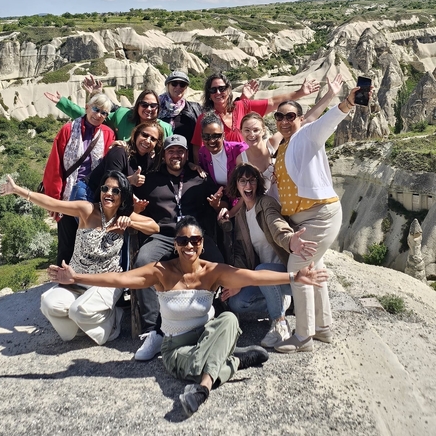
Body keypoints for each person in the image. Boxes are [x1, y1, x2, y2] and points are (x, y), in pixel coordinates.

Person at [48, 216, 327, 417]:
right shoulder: (160, 272)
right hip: (175, 347)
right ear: (176, 243)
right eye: (183, 240)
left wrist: (295, 275)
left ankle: (202, 390)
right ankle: (232, 361)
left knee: (228, 320)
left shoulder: (213, 271)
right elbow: (120, 279)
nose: (189, 245)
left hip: (206, 336)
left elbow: (253, 276)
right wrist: (77, 276)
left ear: (202, 243)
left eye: (195, 240)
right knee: (195, 364)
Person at [0, 171, 158, 345]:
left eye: (115, 191)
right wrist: (18, 190)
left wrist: (131, 222)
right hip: (76, 281)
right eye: (105, 188)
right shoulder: (87, 210)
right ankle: (84, 328)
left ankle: (111, 323)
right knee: (49, 304)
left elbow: (154, 227)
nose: (109, 194)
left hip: (107, 282)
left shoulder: (123, 216)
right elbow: (54, 203)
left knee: (78, 311)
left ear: (123, 195)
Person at [272, 86, 364, 353]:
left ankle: (303, 337)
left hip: (320, 215)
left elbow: (327, 122)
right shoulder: (284, 145)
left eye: (291, 116)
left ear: (300, 119)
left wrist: (347, 103)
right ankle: (323, 329)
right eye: (280, 117)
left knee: (298, 268)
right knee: (315, 271)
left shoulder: (306, 136)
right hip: (305, 219)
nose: (285, 121)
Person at [132, 134, 226, 361]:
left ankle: (216, 319)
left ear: (186, 154)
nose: (176, 155)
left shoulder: (200, 178)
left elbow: (221, 201)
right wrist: (136, 207)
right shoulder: (151, 180)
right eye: (171, 151)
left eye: (181, 151)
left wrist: (218, 206)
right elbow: (131, 204)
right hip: (164, 236)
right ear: (164, 155)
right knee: (143, 262)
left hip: (194, 239)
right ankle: (152, 331)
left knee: (219, 264)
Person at [219, 164, 317, 348]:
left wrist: (289, 240)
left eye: (252, 180)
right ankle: (281, 302)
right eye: (242, 181)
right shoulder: (240, 215)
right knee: (237, 302)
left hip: (286, 275)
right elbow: (240, 251)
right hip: (264, 279)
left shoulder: (266, 204)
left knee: (262, 270)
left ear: (258, 183)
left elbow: (277, 225)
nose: (248, 185)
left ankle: (280, 323)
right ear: (237, 185)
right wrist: (238, 281)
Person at [235, 74, 345, 202]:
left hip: (285, 202)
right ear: (241, 132)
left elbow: (305, 121)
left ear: (263, 130)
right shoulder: (241, 159)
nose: (251, 134)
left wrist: (330, 94)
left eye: (255, 130)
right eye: (247, 130)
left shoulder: (272, 143)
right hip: (262, 207)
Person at [42, 93, 115, 266]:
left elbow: (109, 167)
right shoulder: (68, 129)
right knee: (67, 243)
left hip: (93, 197)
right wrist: (53, 200)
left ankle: (86, 283)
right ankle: (63, 284)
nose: (98, 115)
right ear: (87, 107)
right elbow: (55, 164)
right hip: (67, 195)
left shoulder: (108, 133)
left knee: (91, 242)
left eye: (104, 113)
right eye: (96, 109)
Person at [191, 73, 320, 159]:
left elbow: (272, 102)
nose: (218, 92)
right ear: (209, 94)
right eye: (213, 90)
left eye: (222, 88)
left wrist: (300, 93)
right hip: (220, 170)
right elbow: (197, 147)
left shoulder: (242, 106)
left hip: (247, 164)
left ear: (229, 90)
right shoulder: (205, 119)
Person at [46, 86, 173, 141]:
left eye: (153, 105)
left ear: (158, 108)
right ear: (137, 105)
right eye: (144, 104)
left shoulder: (165, 128)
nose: (148, 109)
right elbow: (95, 118)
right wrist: (64, 103)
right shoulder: (123, 115)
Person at [85, 121, 164, 197]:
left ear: (157, 143)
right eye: (144, 135)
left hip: (108, 198)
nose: (147, 141)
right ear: (136, 134)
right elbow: (110, 182)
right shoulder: (120, 151)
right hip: (88, 192)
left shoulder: (149, 161)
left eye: (153, 139)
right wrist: (130, 180)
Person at [158, 71, 202, 159]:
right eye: (174, 83)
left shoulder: (195, 108)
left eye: (182, 84)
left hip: (187, 161)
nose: (178, 87)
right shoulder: (156, 107)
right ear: (168, 86)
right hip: (159, 160)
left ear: (186, 88)